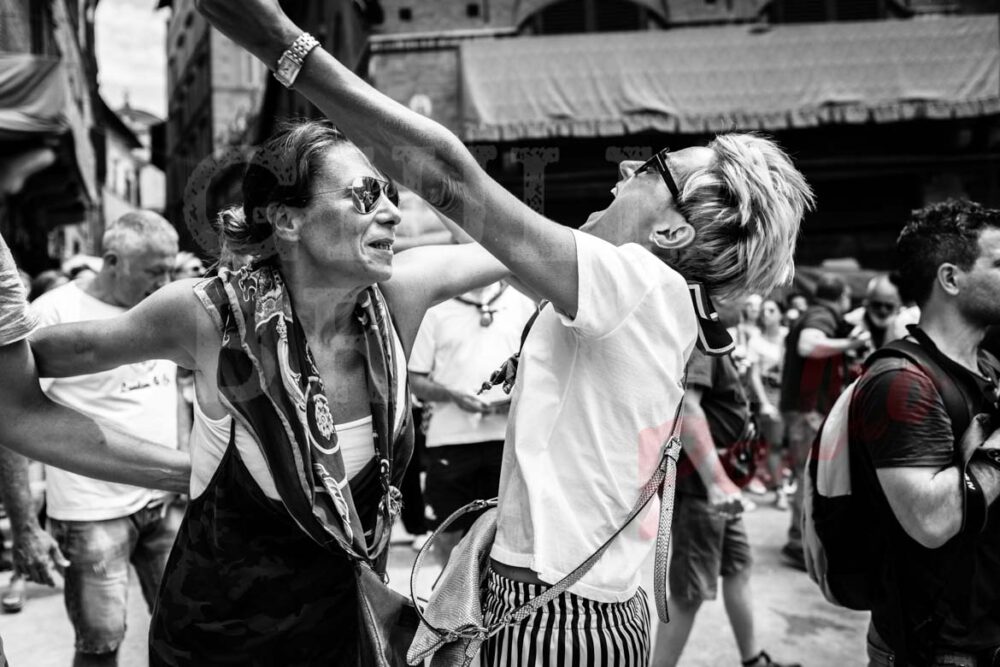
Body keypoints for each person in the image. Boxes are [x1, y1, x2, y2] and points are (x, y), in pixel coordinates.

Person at [191, 2, 812, 663]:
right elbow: (479, 230)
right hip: (595, 608)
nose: (627, 168)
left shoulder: (636, 285)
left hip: (558, 621)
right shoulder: (657, 305)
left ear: (672, 231)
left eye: (655, 167)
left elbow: (453, 181)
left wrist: (285, 46)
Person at [30, 121, 514, 664]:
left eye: (391, 194)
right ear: (286, 219)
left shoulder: (399, 294)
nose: (392, 213)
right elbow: (23, 373)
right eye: (365, 194)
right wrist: (170, 469)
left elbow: (526, 245)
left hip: (348, 636)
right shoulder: (211, 316)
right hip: (220, 646)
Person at [0, 232, 190, 667]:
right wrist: (25, 527)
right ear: (112, 261)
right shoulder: (55, 311)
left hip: (162, 503)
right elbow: (11, 417)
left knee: (187, 627)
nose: (164, 281)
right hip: (90, 514)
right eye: (153, 270)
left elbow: (171, 390)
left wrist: (183, 465)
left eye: (169, 269)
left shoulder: (162, 307)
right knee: (101, 643)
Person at [849, 200, 1000, 665]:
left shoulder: (987, 365)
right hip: (937, 648)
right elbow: (931, 522)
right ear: (951, 278)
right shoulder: (902, 382)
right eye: (998, 263)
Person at [653, 345, 798, 667]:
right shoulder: (703, 341)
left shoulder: (716, 339)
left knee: (738, 567)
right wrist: (716, 482)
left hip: (717, 488)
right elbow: (688, 408)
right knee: (689, 593)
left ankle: (753, 659)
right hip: (703, 489)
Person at [408, 279, 536, 564]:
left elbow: (541, 366)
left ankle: (489, 592)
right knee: (447, 533)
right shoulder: (436, 309)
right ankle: (450, 589)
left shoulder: (523, 301)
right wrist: (453, 396)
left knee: (505, 533)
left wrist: (518, 397)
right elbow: (415, 380)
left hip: (508, 439)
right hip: (449, 441)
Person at [779, 274, 869, 570]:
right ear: (842, 296)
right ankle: (797, 544)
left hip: (803, 409)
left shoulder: (816, 312)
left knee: (808, 476)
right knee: (807, 477)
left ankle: (801, 541)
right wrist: (851, 343)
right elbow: (808, 346)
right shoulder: (821, 315)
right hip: (807, 411)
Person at [748, 298, 790, 508]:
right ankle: (779, 489)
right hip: (770, 393)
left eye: (772, 310)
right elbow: (754, 375)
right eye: (764, 310)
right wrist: (764, 402)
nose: (766, 314)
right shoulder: (756, 340)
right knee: (775, 443)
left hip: (793, 395)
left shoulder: (789, 336)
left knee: (795, 444)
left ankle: (791, 483)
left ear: (781, 314)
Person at [844, 273, 903, 357]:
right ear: (866, 304)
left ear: (898, 306)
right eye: (877, 305)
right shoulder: (849, 322)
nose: (883, 311)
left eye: (889, 306)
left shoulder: (905, 323)